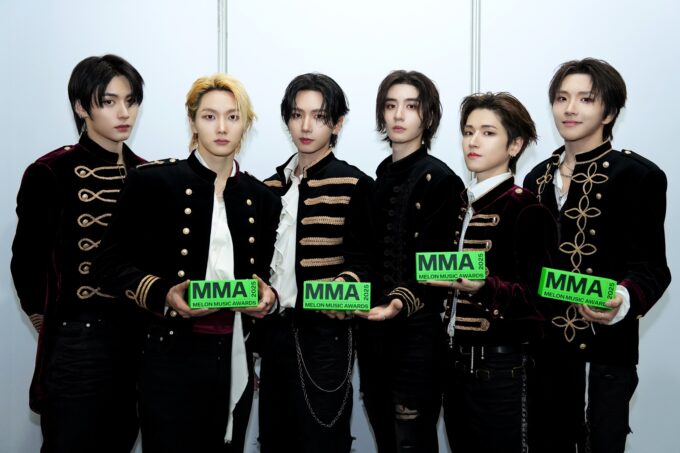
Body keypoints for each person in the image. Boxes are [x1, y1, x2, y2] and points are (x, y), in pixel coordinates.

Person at [94, 73, 280, 453]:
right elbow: (107, 263)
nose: (222, 127)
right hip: (169, 354)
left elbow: (269, 280)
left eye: (233, 116)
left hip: (235, 356)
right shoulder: (152, 182)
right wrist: (164, 293)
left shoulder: (262, 197)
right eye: (210, 116)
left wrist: (268, 300)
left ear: (245, 124)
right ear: (193, 122)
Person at [524, 58, 671, 453]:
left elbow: (653, 269)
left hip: (603, 353)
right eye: (561, 98)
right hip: (542, 356)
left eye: (585, 99)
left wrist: (621, 299)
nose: (570, 109)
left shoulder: (636, 176)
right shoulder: (536, 177)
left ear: (609, 112)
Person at [10, 54, 145, 453]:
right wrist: (50, 321)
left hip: (136, 341)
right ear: (81, 107)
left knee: (121, 440)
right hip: (77, 339)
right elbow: (26, 260)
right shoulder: (51, 171)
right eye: (109, 101)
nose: (124, 113)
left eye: (131, 101)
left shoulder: (148, 174)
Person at [424, 92, 557, 453]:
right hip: (454, 366)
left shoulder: (526, 208)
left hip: (501, 369)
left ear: (515, 145)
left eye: (488, 132)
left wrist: (485, 288)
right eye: (468, 132)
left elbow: (543, 300)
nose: (473, 141)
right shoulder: (459, 206)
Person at [257, 73, 374, 453]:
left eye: (319, 116)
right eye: (297, 114)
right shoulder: (267, 187)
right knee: (274, 439)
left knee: (322, 438)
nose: (306, 126)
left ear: (337, 123)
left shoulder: (355, 184)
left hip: (326, 336)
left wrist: (346, 284)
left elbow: (366, 262)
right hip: (273, 333)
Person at [355, 70, 464, 453]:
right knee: (386, 438)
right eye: (390, 106)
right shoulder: (378, 178)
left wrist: (399, 302)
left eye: (411, 106)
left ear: (428, 116)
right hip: (372, 333)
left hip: (417, 336)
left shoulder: (441, 180)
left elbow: (441, 266)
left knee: (411, 442)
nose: (398, 115)